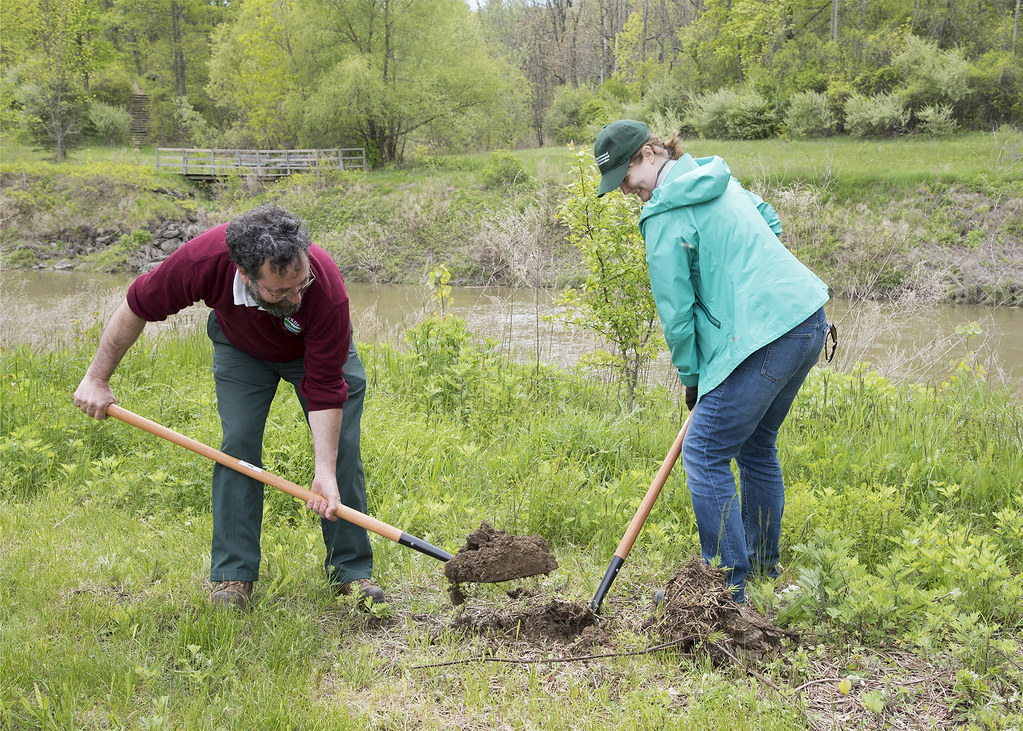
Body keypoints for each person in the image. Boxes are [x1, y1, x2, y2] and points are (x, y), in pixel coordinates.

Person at [73, 203, 384, 610]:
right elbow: (137, 305)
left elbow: (326, 386)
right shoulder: (202, 262)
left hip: (315, 352)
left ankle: (351, 574)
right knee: (237, 446)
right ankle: (233, 577)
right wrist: (97, 378)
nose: (295, 295)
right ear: (244, 273)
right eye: (281, 290)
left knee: (338, 450)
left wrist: (322, 471)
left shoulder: (322, 288)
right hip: (241, 348)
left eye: (300, 284)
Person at [594, 119, 832, 602]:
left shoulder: (663, 213)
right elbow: (770, 222)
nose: (625, 191)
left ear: (647, 154)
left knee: (703, 454)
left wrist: (692, 376)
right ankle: (761, 572)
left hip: (764, 337)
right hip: (807, 318)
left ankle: (723, 591)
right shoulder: (715, 175)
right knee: (756, 446)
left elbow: (676, 312)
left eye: (625, 177)